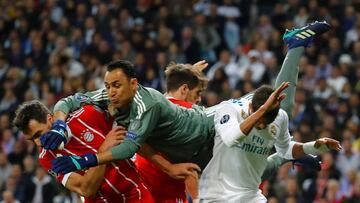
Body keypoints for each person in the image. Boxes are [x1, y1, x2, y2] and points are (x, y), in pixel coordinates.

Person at [49, 22, 336, 179]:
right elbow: (71, 100)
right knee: (255, 164)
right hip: (202, 146)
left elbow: (133, 143)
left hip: (210, 131)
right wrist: (59, 126)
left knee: (276, 114)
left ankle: (295, 45)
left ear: (133, 84)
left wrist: (84, 159)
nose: (110, 91)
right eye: (108, 86)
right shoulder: (144, 101)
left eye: (116, 85)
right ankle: (289, 157)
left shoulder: (150, 104)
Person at [198, 22, 342, 202]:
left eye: (267, 122)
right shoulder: (229, 109)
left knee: (285, 111)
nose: (262, 126)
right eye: (261, 120)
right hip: (217, 194)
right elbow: (231, 138)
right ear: (252, 108)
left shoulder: (278, 117)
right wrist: (264, 110)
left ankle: (296, 45)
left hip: (249, 193)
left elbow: (284, 150)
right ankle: (296, 45)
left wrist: (312, 146)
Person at [13, 101, 155, 203]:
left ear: (50, 119)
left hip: (136, 193)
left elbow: (132, 137)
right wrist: (103, 151)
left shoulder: (87, 115)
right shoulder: (46, 158)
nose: (38, 143)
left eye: (39, 134)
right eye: (32, 140)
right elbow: (86, 190)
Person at [136, 61, 208, 203]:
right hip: (166, 193)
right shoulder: (189, 114)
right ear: (184, 89)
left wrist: (188, 73)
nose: (199, 99)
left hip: (141, 187)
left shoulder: (154, 106)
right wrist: (197, 199)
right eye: (197, 93)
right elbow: (188, 167)